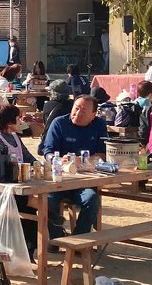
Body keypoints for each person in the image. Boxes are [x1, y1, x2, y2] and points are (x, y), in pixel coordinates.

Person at [40, 96, 107, 238]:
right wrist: (57, 160)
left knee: (92, 200)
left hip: (84, 181)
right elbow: (47, 152)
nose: (78, 113)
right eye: (76, 108)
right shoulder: (59, 123)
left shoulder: (99, 125)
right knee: (47, 201)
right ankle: (56, 237)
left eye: (84, 111)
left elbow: (103, 154)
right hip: (59, 179)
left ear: (94, 114)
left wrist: (82, 161)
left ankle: (78, 240)